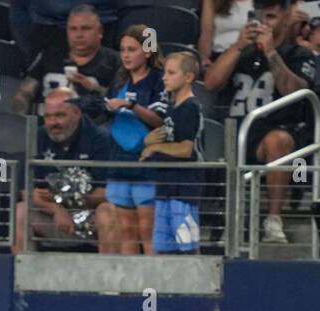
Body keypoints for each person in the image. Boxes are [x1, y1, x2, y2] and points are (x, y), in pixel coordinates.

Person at [204, 0, 317, 244]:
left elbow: (295, 91)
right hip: (236, 129)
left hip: (277, 130)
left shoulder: (299, 53)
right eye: (259, 17)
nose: (264, 24)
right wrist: (237, 46)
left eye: (272, 17)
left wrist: (271, 53)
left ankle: (273, 220)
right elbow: (211, 83)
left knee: (278, 141)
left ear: (287, 17)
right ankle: (226, 223)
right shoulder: (241, 52)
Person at [13, 88, 119, 253]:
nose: (52, 123)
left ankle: (110, 274)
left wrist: (64, 199)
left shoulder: (100, 138)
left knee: (108, 211)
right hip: (53, 218)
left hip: (90, 218)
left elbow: (108, 192)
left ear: (76, 113)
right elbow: (26, 191)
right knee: (20, 211)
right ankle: (23, 274)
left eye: (60, 115)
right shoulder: (38, 136)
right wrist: (57, 209)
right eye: (48, 116)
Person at [104, 23, 165, 256]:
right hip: (119, 163)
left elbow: (160, 120)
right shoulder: (119, 80)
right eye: (123, 50)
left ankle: (154, 287)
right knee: (126, 235)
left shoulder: (159, 81)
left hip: (146, 166)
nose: (126, 55)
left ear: (148, 52)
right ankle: (128, 291)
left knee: (148, 235)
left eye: (132, 49)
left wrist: (131, 105)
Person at [144, 51, 204, 256]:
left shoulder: (190, 108)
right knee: (164, 248)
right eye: (164, 72)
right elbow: (163, 137)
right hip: (166, 185)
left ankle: (199, 287)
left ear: (188, 77)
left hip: (183, 187)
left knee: (188, 245)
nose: (164, 77)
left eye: (171, 73)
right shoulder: (172, 108)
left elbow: (185, 149)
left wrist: (155, 148)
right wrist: (149, 141)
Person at [13, 3, 119, 118]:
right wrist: (21, 121)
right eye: (73, 29)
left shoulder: (113, 61)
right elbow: (25, 92)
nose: (79, 35)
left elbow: (122, 100)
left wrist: (94, 88)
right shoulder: (50, 55)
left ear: (100, 31)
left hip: (91, 130)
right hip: (44, 128)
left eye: (86, 28)